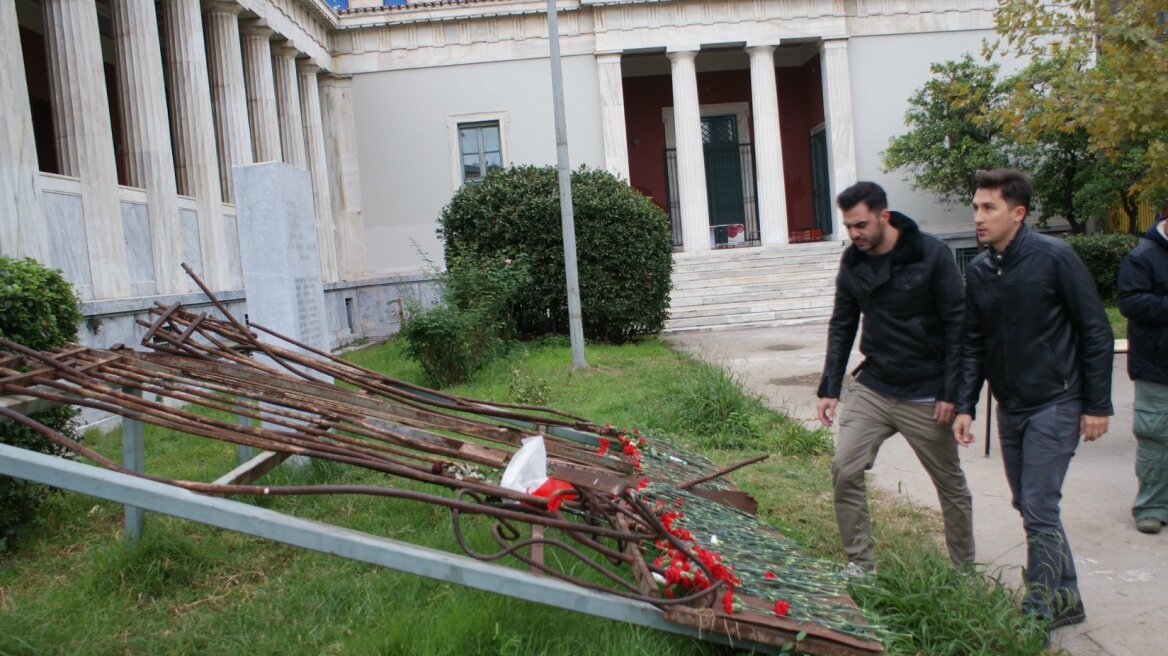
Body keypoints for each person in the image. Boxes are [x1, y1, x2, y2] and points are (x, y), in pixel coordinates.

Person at [953, 169, 1114, 632]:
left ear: (1018, 213)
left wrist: (1097, 405)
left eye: (989, 208)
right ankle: (1068, 598)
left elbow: (1096, 331)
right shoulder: (981, 269)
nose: (978, 217)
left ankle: (1038, 611)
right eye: (977, 206)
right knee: (1028, 505)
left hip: (1057, 401)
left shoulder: (1055, 258)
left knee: (1040, 506)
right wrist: (966, 405)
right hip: (1012, 406)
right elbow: (973, 342)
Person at [817, 181, 974, 575]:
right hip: (875, 385)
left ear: (884, 217)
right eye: (849, 226)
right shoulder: (853, 261)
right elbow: (843, 323)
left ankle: (964, 572)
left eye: (861, 225)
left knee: (950, 486)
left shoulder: (930, 254)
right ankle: (861, 565)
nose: (855, 234)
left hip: (926, 391)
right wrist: (830, 387)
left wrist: (951, 392)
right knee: (844, 467)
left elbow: (959, 326)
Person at [1117, 211, 1168, 534]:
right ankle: (1150, 506)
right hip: (1157, 364)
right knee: (1154, 437)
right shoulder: (1142, 257)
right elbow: (1130, 303)